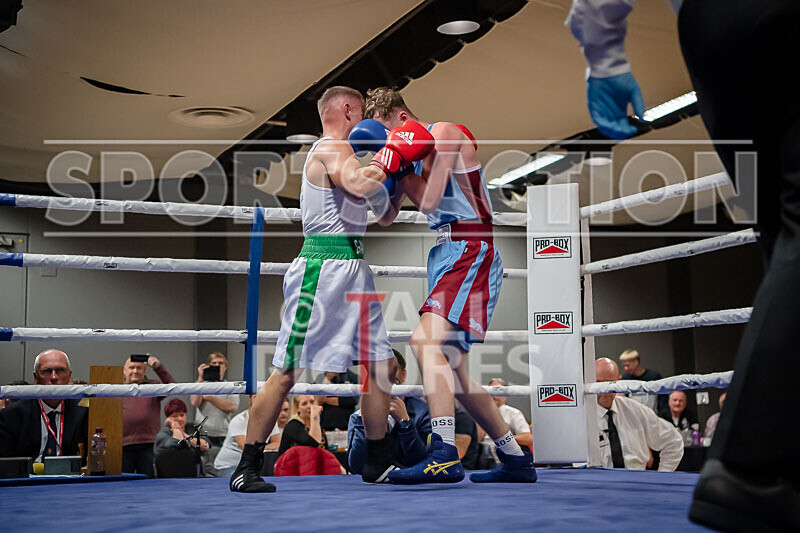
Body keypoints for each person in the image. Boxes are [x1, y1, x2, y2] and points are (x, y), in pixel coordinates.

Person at [568, 3, 800, 528]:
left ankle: (777, 461)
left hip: (710, 28)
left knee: (781, 237)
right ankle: (750, 465)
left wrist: (602, 53)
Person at [229, 85, 434, 493]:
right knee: (287, 370)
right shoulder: (330, 148)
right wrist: (391, 152)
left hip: (355, 267)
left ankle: (376, 461)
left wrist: (396, 175)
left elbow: (385, 215)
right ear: (346, 109)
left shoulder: (353, 157)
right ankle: (246, 466)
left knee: (381, 368)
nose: (370, 124)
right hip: (321, 269)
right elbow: (359, 185)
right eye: (363, 115)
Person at [363, 87, 536, 484]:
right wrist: (378, 178)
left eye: (389, 133)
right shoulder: (410, 154)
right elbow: (387, 217)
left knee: (424, 344)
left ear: (401, 120)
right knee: (454, 372)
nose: (391, 142)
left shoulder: (444, 132)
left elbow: (428, 202)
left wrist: (398, 169)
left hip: (468, 246)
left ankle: (442, 452)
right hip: (449, 252)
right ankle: (514, 458)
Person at [347, 350, 431, 475]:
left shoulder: (423, 412)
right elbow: (356, 467)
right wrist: (363, 422)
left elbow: (424, 464)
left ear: (403, 374)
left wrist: (405, 423)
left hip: (413, 487)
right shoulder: (357, 417)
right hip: (372, 490)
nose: (385, 375)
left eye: (391, 369)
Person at [595, 358, 683, 471]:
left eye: (610, 383)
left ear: (619, 381)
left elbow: (673, 440)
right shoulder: (581, 419)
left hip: (637, 481)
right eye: (599, 383)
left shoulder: (634, 410)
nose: (604, 390)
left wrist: (663, 475)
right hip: (598, 484)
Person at [0, 350, 88, 462]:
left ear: (69, 376)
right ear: (36, 377)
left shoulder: (84, 412)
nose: (54, 377)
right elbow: (5, 465)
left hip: (71, 477)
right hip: (28, 478)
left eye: (60, 371)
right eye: (47, 371)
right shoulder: (12, 415)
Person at [122, 353, 175, 477]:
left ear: (144, 371)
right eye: (131, 367)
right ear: (124, 371)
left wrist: (158, 367)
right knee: (122, 484)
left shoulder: (152, 387)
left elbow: (172, 386)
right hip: (123, 446)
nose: (135, 371)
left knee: (148, 483)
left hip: (149, 445)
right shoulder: (116, 390)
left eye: (139, 368)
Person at [215, 398, 289, 476]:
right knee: (243, 481)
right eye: (256, 397)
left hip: (252, 465)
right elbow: (246, 447)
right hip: (229, 465)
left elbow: (278, 442)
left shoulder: (270, 420)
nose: (260, 400)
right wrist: (265, 448)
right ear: (250, 400)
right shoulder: (239, 420)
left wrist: (263, 448)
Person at [477, 378, 533, 454]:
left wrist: (504, 441)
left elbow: (528, 438)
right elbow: (477, 439)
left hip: (506, 457)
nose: (494, 396)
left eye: (498, 391)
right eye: (491, 392)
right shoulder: (478, 412)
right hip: (483, 458)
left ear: (505, 395)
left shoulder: (513, 413)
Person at [619, 349, 665, 413]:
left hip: (652, 417)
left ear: (636, 362)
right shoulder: (625, 379)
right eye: (624, 366)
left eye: (627, 365)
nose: (625, 369)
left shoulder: (654, 377)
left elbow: (662, 400)